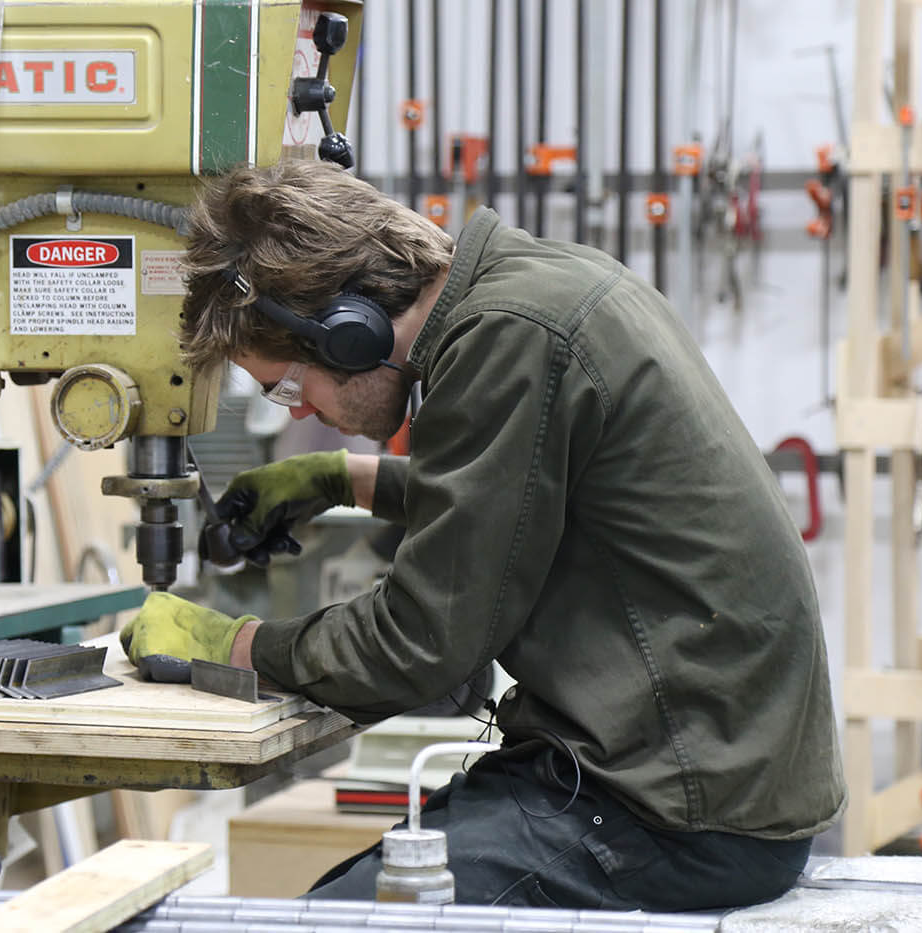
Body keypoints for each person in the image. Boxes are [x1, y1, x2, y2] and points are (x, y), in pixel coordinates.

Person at [119, 159, 846, 911]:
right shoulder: (533, 282)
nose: (297, 412)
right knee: (340, 900)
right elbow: (525, 498)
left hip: (672, 813)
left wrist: (232, 646)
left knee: (335, 920)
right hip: (697, 777)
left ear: (347, 333)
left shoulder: (506, 339)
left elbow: (419, 640)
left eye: (289, 386)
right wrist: (345, 479)